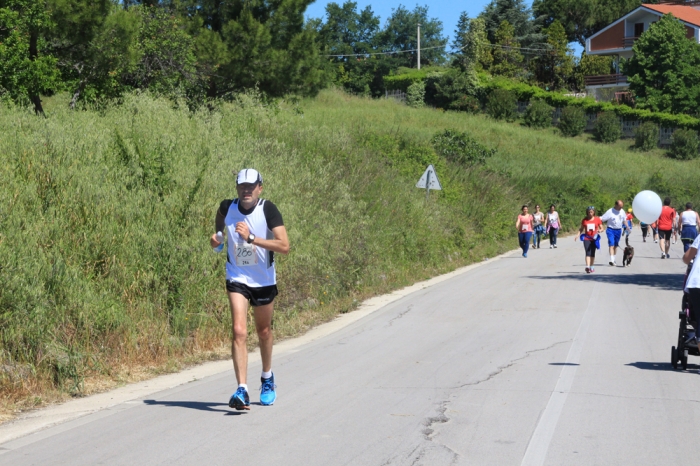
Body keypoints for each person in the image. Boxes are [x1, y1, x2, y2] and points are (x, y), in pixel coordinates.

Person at [210, 169, 290, 410]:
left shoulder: (268, 210)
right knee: (238, 330)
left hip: (263, 279)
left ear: (259, 188)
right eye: (242, 186)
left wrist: (252, 238)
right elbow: (218, 227)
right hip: (237, 276)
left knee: (263, 331)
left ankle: (267, 378)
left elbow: (284, 246)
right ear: (237, 188)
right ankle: (242, 389)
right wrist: (217, 240)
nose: (246, 190)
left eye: (251, 186)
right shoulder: (227, 207)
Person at [600, 200, 629, 266]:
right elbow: (602, 219)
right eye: (619, 207)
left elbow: (624, 220)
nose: (620, 208)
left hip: (618, 230)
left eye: (621, 207)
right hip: (610, 229)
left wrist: (627, 226)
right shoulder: (610, 211)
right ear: (616, 205)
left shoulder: (622, 211)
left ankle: (614, 259)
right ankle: (611, 260)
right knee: (611, 244)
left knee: (616, 245)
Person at [576, 206, 604, 273]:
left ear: (594, 212)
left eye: (591, 212)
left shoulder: (597, 219)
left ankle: (591, 266)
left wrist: (600, 230)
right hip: (587, 238)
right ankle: (587, 267)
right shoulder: (584, 220)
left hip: (594, 238)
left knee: (592, 253)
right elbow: (581, 229)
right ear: (587, 212)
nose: (590, 213)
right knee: (587, 252)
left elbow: (602, 228)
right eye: (589, 212)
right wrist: (577, 235)